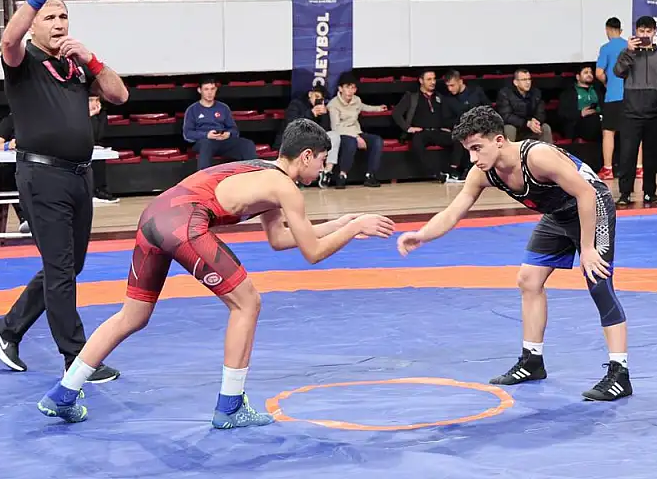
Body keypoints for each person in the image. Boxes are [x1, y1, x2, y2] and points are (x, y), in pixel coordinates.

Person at [35, 119, 396, 428]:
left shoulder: (265, 174)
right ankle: (230, 406)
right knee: (247, 303)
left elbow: (280, 239)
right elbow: (312, 253)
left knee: (132, 315)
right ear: (305, 156)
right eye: (321, 160)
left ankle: (63, 393)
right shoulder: (285, 188)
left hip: (154, 217)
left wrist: (344, 222)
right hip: (184, 223)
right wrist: (354, 228)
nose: (322, 168)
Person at [397, 106, 631, 402]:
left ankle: (620, 373)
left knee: (598, 281)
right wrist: (422, 235)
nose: (473, 158)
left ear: (499, 140)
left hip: (592, 207)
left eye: (477, 148)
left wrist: (587, 249)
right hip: (558, 214)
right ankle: (532, 360)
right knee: (528, 280)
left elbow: (586, 193)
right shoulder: (483, 172)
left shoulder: (537, 157)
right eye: (468, 150)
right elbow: (454, 211)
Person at [0, 0, 130, 382]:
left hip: (78, 176)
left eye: (63, 16)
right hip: (42, 175)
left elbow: (119, 96)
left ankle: (7, 329)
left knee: (67, 266)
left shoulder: (74, 65)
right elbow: (7, 41)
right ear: (34, 24)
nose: (59, 23)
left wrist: (91, 59)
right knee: (62, 270)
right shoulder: (23, 62)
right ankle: (76, 359)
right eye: (50, 17)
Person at [612, 16, 657, 206]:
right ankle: (625, 194)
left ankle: (650, 192)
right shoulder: (627, 52)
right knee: (627, 156)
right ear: (636, 32)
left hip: (655, 114)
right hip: (631, 113)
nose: (645, 34)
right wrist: (629, 52)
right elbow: (618, 72)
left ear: (655, 32)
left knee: (652, 157)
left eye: (648, 31)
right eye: (641, 31)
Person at [327, 73, 387, 188]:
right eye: (347, 87)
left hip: (356, 132)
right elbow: (335, 128)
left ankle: (370, 175)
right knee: (351, 142)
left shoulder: (356, 100)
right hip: (342, 134)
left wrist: (378, 108)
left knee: (377, 141)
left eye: (353, 88)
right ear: (340, 89)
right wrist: (356, 137)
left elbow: (364, 107)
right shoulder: (333, 105)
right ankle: (342, 176)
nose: (350, 91)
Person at [183, 78, 259, 169]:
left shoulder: (223, 108)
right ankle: (203, 175)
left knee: (247, 143)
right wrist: (206, 135)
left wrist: (228, 134)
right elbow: (188, 134)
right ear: (200, 90)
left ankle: (254, 171)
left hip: (222, 140)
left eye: (212, 89)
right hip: (203, 141)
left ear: (216, 89)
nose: (210, 92)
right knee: (206, 144)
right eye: (206, 89)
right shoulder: (192, 110)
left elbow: (234, 130)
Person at [595, 17, 627, 179]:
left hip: (613, 96)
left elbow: (599, 73)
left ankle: (608, 169)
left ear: (607, 29)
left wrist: (607, 83)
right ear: (621, 30)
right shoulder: (630, 46)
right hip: (632, 96)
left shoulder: (606, 48)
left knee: (608, 132)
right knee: (634, 132)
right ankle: (639, 168)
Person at [557, 65, 602, 144]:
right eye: (586, 73)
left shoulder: (597, 90)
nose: (589, 75)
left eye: (591, 73)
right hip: (578, 124)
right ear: (578, 77)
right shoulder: (568, 93)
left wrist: (597, 110)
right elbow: (562, 113)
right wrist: (581, 113)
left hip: (598, 120)